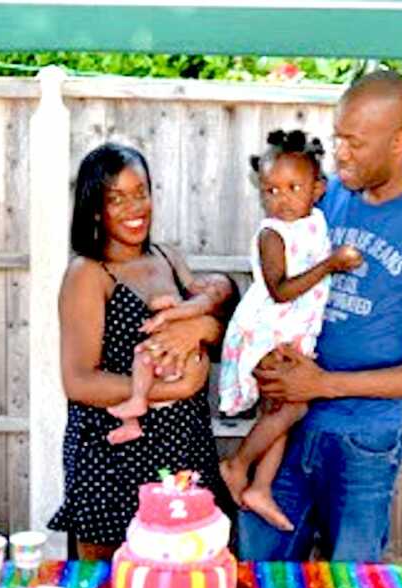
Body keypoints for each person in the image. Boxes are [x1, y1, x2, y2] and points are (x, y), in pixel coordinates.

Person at [238, 70, 402, 562]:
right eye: (337, 138)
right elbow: (269, 283)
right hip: (285, 427)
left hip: (363, 444)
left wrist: (325, 385)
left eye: (354, 142)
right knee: (256, 575)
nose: (340, 153)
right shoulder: (324, 198)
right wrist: (205, 306)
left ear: (400, 141)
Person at [48, 142, 236, 561]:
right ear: (95, 208)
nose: (135, 207)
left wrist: (205, 326)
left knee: (188, 581)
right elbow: (78, 382)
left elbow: (212, 330)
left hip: (183, 448)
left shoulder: (168, 257)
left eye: (141, 192)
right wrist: (175, 390)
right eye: (117, 198)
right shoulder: (88, 274)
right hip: (112, 457)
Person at [217, 129, 362, 532]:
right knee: (293, 405)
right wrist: (330, 265)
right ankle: (237, 465)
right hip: (264, 330)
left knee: (281, 411)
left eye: (293, 187)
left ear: (318, 189)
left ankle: (260, 487)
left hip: (291, 332)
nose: (281, 199)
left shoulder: (314, 221)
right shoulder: (272, 235)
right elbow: (280, 291)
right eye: (271, 190)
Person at [106, 273, 234, 445]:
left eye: (216, 291)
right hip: (167, 375)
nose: (208, 286)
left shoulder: (194, 309)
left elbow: (164, 308)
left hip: (178, 368)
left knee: (143, 356)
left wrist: (159, 316)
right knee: (144, 357)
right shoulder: (180, 299)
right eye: (206, 280)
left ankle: (137, 403)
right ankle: (132, 421)